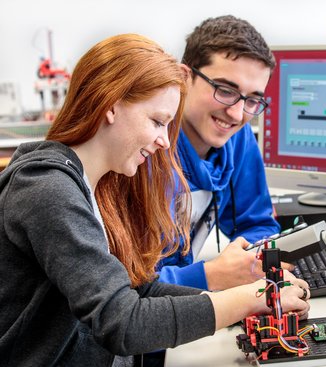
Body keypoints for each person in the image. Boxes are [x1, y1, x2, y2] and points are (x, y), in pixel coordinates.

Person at [0, 33, 310, 366]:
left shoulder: (95, 183)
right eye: (157, 122)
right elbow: (122, 321)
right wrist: (249, 297)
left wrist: (255, 298)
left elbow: (139, 289)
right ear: (110, 106)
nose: (165, 141)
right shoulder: (47, 190)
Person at [157, 15, 287, 292]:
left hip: (180, 304)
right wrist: (210, 275)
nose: (238, 114)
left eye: (252, 99)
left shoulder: (236, 140)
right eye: (225, 90)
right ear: (184, 77)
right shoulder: (147, 148)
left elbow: (258, 224)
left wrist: (251, 260)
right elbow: (120, 288)